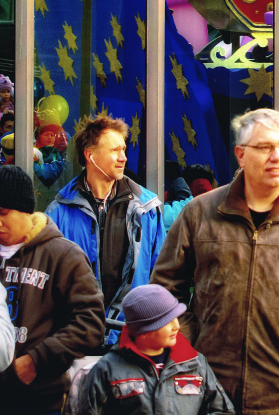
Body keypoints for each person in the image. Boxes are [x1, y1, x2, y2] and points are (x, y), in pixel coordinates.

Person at [151, 108, 279, 415]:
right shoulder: (200, 212)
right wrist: (193, 347)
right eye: (265, 147)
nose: (278, 157)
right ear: (241, 155)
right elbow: (165, 289)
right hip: (208, 391)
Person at [46, 114, 166, 347]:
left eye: (123, 149)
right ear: (90, 156)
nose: (123, 158)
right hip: (74, 340)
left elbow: (160, 277)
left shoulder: (148, 209)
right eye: (114, 151)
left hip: (131, 339)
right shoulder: (57, 212)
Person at [0, 164, 106, 414]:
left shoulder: (62, 254)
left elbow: (90, 322)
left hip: (39, 397)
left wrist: (36, 361)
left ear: (25, 209)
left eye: (3, 212)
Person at [79, 284, 233, 414]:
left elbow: (221, 410)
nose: (177, 326)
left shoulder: (196, 363)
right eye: (167, 321)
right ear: (144, 331)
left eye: (176, 318)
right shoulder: (107, 370)